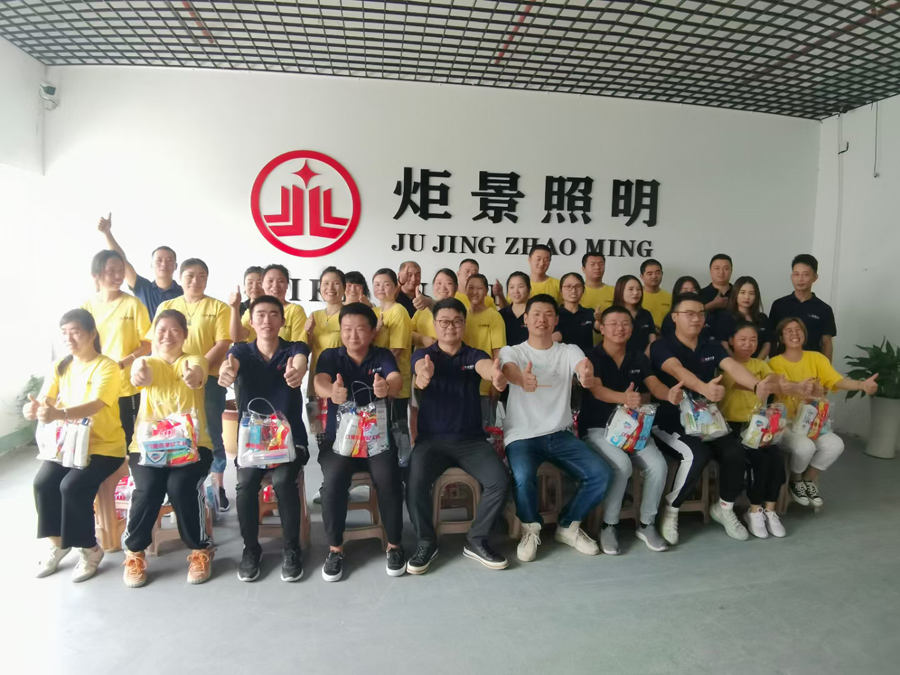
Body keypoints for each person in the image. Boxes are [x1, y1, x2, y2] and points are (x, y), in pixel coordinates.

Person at [650, 293, 780, 544]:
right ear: (674, 317)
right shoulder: (661, 346)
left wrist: (757, 385)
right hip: (670, 421)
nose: (696, 319)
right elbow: (677, 370)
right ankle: (672, 510)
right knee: (697, 454)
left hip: (707, 420)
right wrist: (704, 388)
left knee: (735, 451)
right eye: (689, 313)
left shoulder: (709, 345)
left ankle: (724, 508)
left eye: (700, 313)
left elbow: (732, 366)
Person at [499, 295, 611, 562]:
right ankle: (530, 528)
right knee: (523, 477)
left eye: (548, 314)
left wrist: (585, 375)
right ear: (525, 319)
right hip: (522, 435)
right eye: (536, 314)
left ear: (556, 320)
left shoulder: (568, 350)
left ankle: (568, 526)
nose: (542, 319)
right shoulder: (513, 351)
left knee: (600, 473)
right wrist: (520, 379)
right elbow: (508, 369)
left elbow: (582, 366)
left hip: (560, 434)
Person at [406, 298, 511, 574]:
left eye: (456, 321)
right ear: (434, 324)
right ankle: (426, 541)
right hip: (432, 442)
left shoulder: (473, 355)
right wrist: (423, 375)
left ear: (464, 324)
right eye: (444, 321)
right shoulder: (424, 355)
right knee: (414, 481)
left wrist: (495, 376)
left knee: (499, 481)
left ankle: (477, 538)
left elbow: (485, 367)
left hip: (471, 442)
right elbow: (419, 370)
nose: (450, 326)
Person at [27, 309, 126, 582]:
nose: (69, 338)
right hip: (68, 446)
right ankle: (59, 544)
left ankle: (90, 549)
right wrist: (35, 409)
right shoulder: (61, 365)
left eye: (75, 332)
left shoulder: (107, 366)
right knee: (43, 483)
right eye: (64, 333)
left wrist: (59, 413)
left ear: (92, 334)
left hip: (104, 448)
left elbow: (95, 404)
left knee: (71, 486)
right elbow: (46, 399)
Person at [217, 295, 310, 583]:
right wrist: (226, 372)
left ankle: (291, 549)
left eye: (273, 314)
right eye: (260, 315)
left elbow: (301, 361)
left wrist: (297, 372)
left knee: (283, 481)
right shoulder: (241, 352)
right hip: (253, 445)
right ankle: (251, 549)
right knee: (245, 484)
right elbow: (229, 364)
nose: (266, 320)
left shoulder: (294, 349)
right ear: (251, 320)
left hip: (289, 442)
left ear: (282, 320)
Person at [122, 309, 215, 587]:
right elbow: (141, 372)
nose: (167, 336)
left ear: (185, 334)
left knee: (180, 486)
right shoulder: (147, 361)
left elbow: (198, 373)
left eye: (174, 330)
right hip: (148, 448)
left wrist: (193, 377)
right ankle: (134, 553)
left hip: (193, 446)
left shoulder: (194, 359)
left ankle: (200, 549)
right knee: (148, 487)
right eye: (161, 330)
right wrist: (139, 374)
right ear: (153, 335)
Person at [581, 306, 684, 554]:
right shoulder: (590, 357)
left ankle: (647, 524)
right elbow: (596, 389)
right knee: (622, 465)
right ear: (602, 328)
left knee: (658, 465)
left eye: (625, 323)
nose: (620, 328)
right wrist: (623, 398)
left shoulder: (638, 357)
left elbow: (655, 386)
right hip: (598, 428)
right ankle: (609, 525)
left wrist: (669, 394)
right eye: (614, 323)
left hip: (633, 429)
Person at [314, 303, 406, 581]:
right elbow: (319, 381)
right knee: (333, 482)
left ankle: (394, 545)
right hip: (339, 441)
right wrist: (331, 392)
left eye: (360, 329)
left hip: (376, 440)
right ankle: (335, 549)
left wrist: (386, 387)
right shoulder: (331, 355)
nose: (353, 335)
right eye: (347, 329)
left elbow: (396, 378)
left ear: (372, 331)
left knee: (389, 478)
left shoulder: (382, 355)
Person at [769, 318, 878, 507]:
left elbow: (836, 380)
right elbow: (782, 385)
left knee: (836, 445)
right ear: (781, 338)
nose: (794, 334)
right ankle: (795, 479)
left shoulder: (817, 358)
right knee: (805, 447)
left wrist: (861, 385)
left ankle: (808, 479)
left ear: (804, 334)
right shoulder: (774, 362)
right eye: (788, 331)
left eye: (798, 329)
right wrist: (800, 387)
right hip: (786, 423)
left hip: (812, 422)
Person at [151, 259, 231, 511]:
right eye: (190, 276)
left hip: (208, 381)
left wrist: (198, 370)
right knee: (171, 431)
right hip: (170, 382)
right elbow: (156, 342)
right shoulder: (167, 306)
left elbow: (222, 343)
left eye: (201, 276)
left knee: (210, 433)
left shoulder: (218, 307)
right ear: (180, 277)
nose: (195, 281)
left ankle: (217, 488)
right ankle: (175, 488)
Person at [718, 321, 808, 538]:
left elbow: (775, 379)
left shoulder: (760, 363)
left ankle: (770, 510)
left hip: (759, 425)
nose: (748, 344)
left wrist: (783, 383)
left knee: (775, 458)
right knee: (759, 460)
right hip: (735, 427)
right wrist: (774, 383)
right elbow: (754, 385)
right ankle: (754, 510)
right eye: (742, 339)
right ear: (731, 341)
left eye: (753, 340)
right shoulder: (727, 366)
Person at [82, 250, 151, 446]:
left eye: (120, 270)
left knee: (129, 439)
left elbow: (148, 343)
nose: (118, 276)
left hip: (127, 384)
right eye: (111, 271)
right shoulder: (87, 306)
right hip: (97, 383)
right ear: (96, 275)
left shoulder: (133, 304)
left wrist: (124, 363)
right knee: (99, 439)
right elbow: (82, 344)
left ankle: (128, 468)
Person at [97, 212, 182, 317]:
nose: (163, 264)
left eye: (169, 260)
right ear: (151, 265)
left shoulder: (184, 293)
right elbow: (122, 260)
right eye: (159, 260)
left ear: (176, 266)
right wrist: (107, 233)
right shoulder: (142, 287)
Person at [768, 254, 837, 361]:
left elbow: (826, 343)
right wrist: (773, 363)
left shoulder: (824, 309)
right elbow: (772, 339)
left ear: (815, 277)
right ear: (791, 277)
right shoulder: (779, 305)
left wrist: (825, 368)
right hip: (783, 365)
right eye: (796, 274)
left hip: (812, 365)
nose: (800, 279)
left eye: (805, 274)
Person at [372, 268, 413, 439]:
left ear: (396, 287)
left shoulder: (399, 311)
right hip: (377, 381)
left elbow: (396, 350)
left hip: (395, 382)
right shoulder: (374, 313)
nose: (381, 288)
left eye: (386, 284)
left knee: (397, 430)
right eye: (377, 284)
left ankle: (403, 457)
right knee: (379, 432)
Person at [463, 274, 506, 423]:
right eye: (471, 288)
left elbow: (499, 352)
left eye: (479, 288)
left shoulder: (494, 316)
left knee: (486, 430)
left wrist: (495, 383)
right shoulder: (462, 316)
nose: (475, 292)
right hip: (463, 384)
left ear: (486, 291)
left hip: (485, 385)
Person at [232, 264, 308, 344]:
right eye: (270, 281)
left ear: (287, 285)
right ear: (263, 284)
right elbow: (237, 338)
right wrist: (235, 308)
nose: (275, 286)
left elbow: (299, 346)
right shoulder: (253, 310)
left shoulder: (295, 310)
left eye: (281, 281)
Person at [304, 267, 346, 399]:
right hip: (317, 379)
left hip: (340, 379)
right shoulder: (314, 316)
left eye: (336, 283)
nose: (330, 288)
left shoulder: (349, 315)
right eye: (326, 283)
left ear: (344, 288)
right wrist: (309, 334)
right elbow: (306, 349)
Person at [715, 276, 771, 359]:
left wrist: (756, 363)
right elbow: (724, 344)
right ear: (736, 294)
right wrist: (738, 364)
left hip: (757, 364)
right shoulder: (724, 317)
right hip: (731, 363)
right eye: (742, 292)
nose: (747, 297)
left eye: (751, 293)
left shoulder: (762, 318)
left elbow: (767, 343)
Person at [411, 268, 458, 349]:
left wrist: (430, 302)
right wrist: (422, 339)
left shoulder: (459, 310)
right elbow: (406, 332)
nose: (443, 287)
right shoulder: (422, 310)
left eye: (449, 283)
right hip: (421, 356)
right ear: (433, 286)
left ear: (456, 288)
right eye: (438, 283)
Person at [612, 274, 657, 355]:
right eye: (631, 289)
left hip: (645, 358)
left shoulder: (646, 314)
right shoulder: (612, 314)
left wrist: (644, 357)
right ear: (620, 291)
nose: (636, 293)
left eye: (638, 289)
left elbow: (652, 340)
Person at [552, 272, 595, 354]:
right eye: (568, 286)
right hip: (561, 359)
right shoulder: (553, 314)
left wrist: (601, 319)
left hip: (586, 358)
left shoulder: (589, 312)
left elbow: (600, 327)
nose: (573, 290)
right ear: (561, 291)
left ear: (583, 290)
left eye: (578, 286)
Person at [499, 272, 530, 346]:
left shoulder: (535, 314)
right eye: (512, 287)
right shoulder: (501, 314)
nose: (516, 291)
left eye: (520, 287)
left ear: (529, 289)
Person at [640, 259, 671, 330]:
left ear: (662, 274)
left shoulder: (669, 297)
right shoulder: (636, 296)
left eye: (657, 273)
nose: (654, 276)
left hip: (664, 335)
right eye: (650, 273)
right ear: (642, 276)